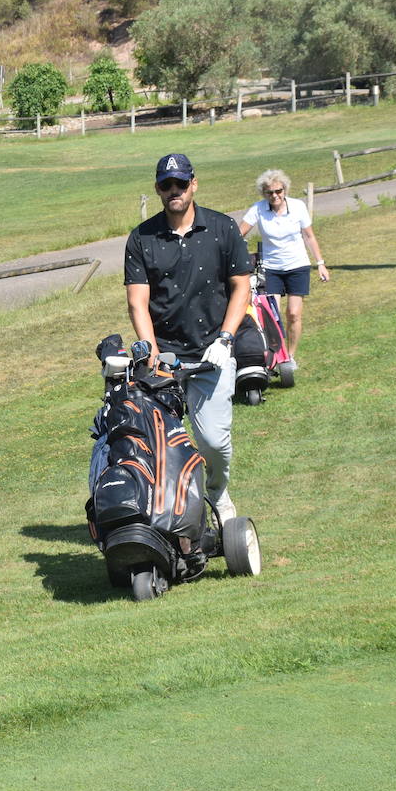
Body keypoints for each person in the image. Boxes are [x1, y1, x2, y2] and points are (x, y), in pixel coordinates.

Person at [124, 153, 252, 526]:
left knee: (213, 442)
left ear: (194, 184)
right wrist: (152, 354)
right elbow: (137, 303)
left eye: (181, 183)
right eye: (167, 185)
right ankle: (165, 511)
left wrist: (226, 339)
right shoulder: (141, 238)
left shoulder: (222, 228)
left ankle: (216, 492)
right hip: (165, 360)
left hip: (213, 353)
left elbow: (241, 287)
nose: (174, 191)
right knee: (158, 443)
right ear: (158, 189)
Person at [238, 169, 329, 368]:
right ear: (264, 194)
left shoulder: (297, 207)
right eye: (270, 193)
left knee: (293, 313)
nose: (275, 196)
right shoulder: (259, 209)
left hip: (297, 265)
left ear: (285, 189)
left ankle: (290, 356)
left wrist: (320, 263)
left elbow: (309, 236)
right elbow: (239, 233)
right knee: (272, 316)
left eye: (278, 191)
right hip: (271, 268)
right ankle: (276, 355)